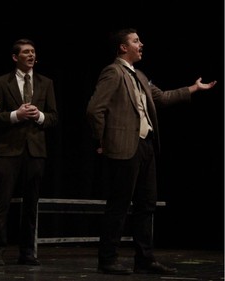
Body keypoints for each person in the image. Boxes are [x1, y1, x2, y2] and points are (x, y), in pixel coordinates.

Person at [86, 28, 217, 275]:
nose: (141, 44)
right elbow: (94, 110)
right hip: (124, 146)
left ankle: (144, 259)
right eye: (136, 41)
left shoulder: (141, 76)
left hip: (146, 146)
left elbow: (163, 98)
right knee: (119, 204)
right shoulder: (113, 72)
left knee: (146, 204)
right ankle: (108, 259)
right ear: (123, 48)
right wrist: (103, 139)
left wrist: (193, 88)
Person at [0, 38, 58, 266]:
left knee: (31, 204)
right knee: (2, 203)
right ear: (15, 57)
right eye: (26, 52)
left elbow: (54, 117)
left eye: (33, 52)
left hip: (35, 150)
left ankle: (27, 252)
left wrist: (39, 116)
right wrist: (16, 115)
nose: (30, 55)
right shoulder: (1, 82)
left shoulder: (46, 83)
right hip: (9, 150)